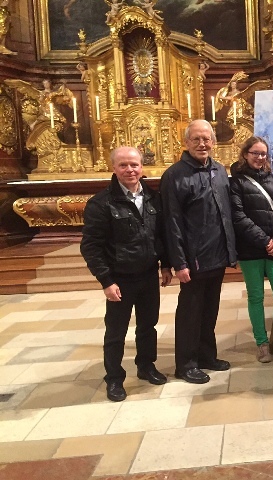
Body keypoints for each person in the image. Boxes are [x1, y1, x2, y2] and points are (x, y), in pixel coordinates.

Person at [81, 146, 172, 402]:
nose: (130, 170)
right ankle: (114, 378)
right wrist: (106, 281)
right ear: (114, 168)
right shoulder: (101, 203)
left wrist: (165, 265)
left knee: (148, 326)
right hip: (120, 278)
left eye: (134, 164)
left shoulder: (153, 198)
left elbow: (161, 235)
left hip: (148, 274)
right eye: (123, 165)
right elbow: (91, 246)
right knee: (116, 332)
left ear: (141, 167)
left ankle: (146, 366)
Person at [160, 120, 237, 384]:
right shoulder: (174, 175)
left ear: (213, 142)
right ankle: (186, 364)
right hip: (193, 259)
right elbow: (171, 222)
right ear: (186, 142)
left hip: (217, 254)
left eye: (206, 139)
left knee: (210, 309)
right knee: (190, 313)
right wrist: (179, 263)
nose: (202, 144)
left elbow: (225, 214)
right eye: (196, 139)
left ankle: (206, 356)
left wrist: (230, 251)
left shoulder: (219, 170)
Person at [229, 136, 273, 363]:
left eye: (263, 153)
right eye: (255, 153)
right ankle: (261, 343)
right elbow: (238, 216)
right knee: (256, 297)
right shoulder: (236, 183)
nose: (260, 157)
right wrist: (264, 241)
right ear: (245, 154)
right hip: (251, 249)